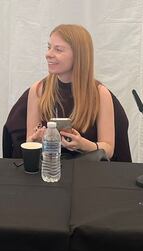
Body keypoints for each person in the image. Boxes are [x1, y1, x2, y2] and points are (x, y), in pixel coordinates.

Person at [26, 24, 115, 159]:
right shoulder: (38, 89)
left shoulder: (100, 94)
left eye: (58, 50)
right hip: (49, 169)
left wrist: (83, 145)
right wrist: (35, 141)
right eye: (49, 47)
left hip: (87, 172)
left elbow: (108, 150)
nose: (48, 54)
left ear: (78, 55)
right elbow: (29, 142)